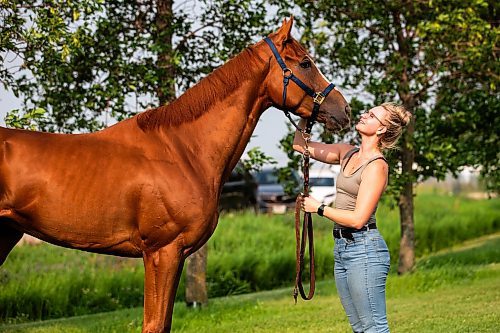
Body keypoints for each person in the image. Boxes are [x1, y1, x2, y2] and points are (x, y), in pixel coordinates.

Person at [293, 102, 412, 333]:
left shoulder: (377, 166)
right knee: (359, 326)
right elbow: (300, 145)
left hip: (365, 250)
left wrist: (319, 208)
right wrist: (306, 114)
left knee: (374, 327)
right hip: (343, 248)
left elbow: (358, 219)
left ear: (381, 129)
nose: (365, 115)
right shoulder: (345, 152)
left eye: (372, 115)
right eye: (368, 111)